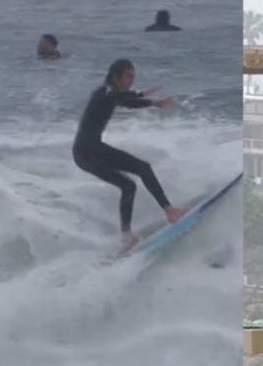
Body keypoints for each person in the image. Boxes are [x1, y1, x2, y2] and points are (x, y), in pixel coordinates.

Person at [72, 59, 187, 250]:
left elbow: (123, 99)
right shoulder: (107, 92)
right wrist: (153, 102)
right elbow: (124, 99)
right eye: (128, 76)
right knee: (143, 168)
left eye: (133, 76)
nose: (131, 80)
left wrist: (141, 95)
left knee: (128, 185)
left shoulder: (107, 92)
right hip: (89, 150)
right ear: (115, 76)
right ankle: (170, 211)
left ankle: (126, 236)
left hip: (83, 154)